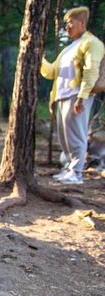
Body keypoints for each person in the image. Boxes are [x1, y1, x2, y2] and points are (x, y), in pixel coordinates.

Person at [41, 6, 105, 185]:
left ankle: (76, 173)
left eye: (70, 23)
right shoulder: (69, 48)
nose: (67, 27)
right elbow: (52, 72)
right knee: (65, 137)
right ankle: (69, 168)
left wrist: (83, 96)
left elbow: (91, 70)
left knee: (76, 135)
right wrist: (40, 59)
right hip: (62, 96)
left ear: (81, 22)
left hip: (77, 95)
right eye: (66, 23)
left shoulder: (92, 43)